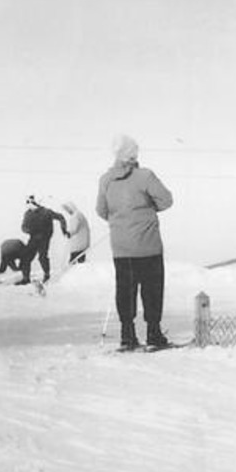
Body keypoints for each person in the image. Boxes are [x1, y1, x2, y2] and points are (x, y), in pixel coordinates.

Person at [95, 135, 174, 351]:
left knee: (125, 290)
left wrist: (121, 220)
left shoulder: (106, 180)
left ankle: (127, 336)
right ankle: (153, 334)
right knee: (152, 289)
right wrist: (146, 210)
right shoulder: (145, 176)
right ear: (134, 154)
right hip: (148, 245)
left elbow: (101, 210)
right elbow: (167, 200)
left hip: (121, 248)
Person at [20, 195, 67, 284]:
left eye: (31, 202)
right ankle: (26, 279)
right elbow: (23, 227)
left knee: (42, 257)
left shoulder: (46, 212)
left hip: (44, 239)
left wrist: (63, 229)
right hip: (33, 238)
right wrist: (27, 230)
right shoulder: (28, 213)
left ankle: (46, 275)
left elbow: (60, 217)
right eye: (27, 202)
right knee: (26, 257)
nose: (29, 204)